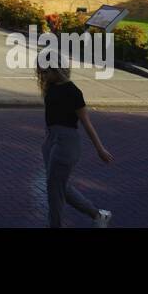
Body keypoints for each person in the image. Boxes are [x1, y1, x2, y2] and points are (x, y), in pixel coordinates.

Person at [37, 59, 113, 228]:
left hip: (67, 143)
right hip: (50, 141)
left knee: (54, 191)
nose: (43, 75)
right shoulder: (50, 88)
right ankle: (98, 215)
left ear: (56, 70)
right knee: (60, 186)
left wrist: (100, 149)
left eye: (46, 72)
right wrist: (47, 140)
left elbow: (86, 123)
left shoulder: (73, 91)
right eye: (41, 72)